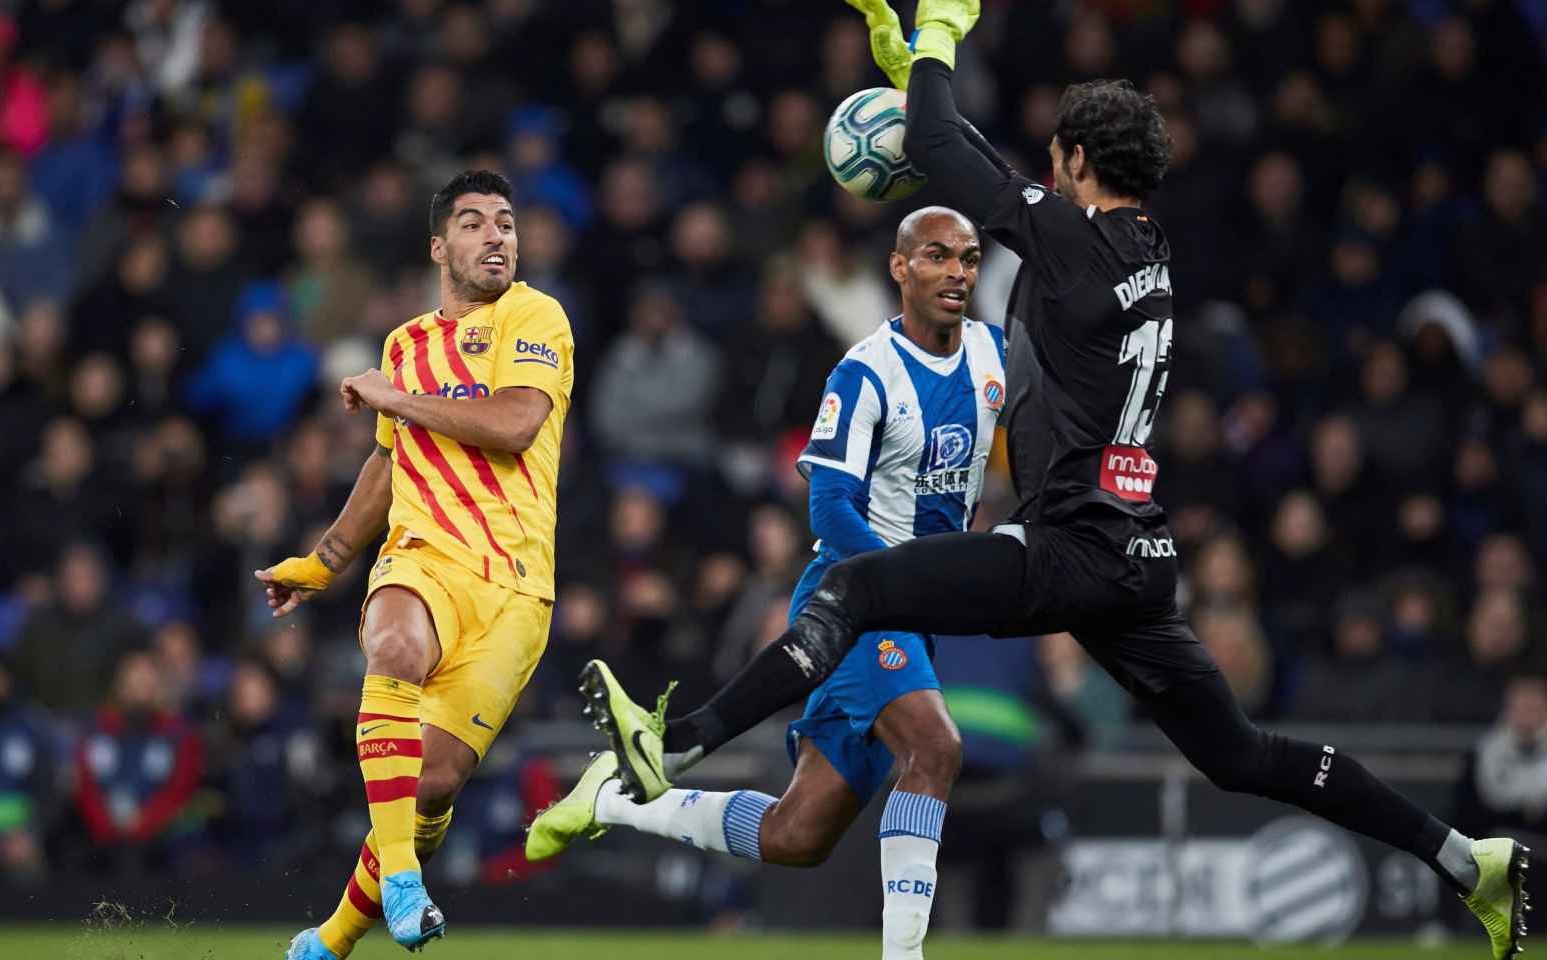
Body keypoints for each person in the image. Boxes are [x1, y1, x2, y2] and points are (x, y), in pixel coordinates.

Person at [575, 5, 1529, 959]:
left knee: (855, 586)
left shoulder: (1071, 244)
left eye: (1056, 159)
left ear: (1075, 162)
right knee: (1244, 756)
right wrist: (917, 81)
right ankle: (1462, 857)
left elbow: (951, 149)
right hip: (1137, 553)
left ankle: (678, 743)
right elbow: (985, 173)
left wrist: (939, 37)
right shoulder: (1144, 245)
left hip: (1070, 545)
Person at [526, 207, 1002, 960]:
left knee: (797, 834)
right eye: (938, 257)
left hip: (919, 612)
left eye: (970, 260)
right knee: (936, 750)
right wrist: (904, 578)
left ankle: (614, 798)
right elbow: (828, 506)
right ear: (900, 269)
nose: (957, 273)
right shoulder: (866, 371)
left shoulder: (993, 355)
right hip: (861, 601)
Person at [259, 171, 574, 957]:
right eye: (474, 224)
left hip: (516, 590)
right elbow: (389, 466)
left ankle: (329, 941)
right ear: (440, 247)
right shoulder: (405, 344)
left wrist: (393, 400)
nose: (497, 236)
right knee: (393, 646)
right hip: (423, 558)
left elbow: (513, 423)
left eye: (506, 223)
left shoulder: (535, 315)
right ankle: (401, 881)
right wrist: (324, 560)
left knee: (430, 786)